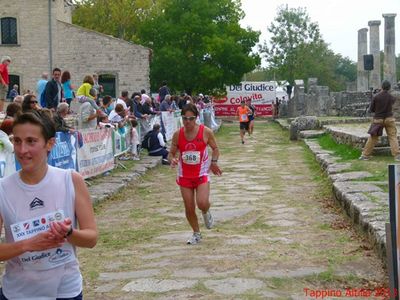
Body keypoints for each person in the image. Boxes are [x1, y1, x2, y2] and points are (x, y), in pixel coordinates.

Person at [0, 111, 98, 299]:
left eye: (31, 141)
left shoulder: (71, 180)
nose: (22, 150)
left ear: (50, 144)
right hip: (18, 292)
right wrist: (28, 245)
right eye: (17, 141)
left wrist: (69, 233)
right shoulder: (3, 188)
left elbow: (91, 238)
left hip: (65, 290)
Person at [168, 103, 222, 245]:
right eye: (185, 119)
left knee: (202, 203)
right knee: (189, 207)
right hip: (184, 176)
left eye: (191, 118)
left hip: (201, 173)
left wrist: (214, 162)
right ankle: (196, 233)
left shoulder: (206, 132)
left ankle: (206, 212)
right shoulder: (177, 134)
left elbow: (215, 149)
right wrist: (172, 159)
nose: (188, 122)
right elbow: (171, 153)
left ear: (196, 118)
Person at [360, 80, 400, 161]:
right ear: (389, 88)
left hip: (378, 119)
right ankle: (397, 155)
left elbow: (371, 109)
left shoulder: (376, 96)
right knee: (393, 137)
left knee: (373, 137)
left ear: (381, 86)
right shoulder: (392, 97)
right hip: (389, 118)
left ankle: (365, 155)